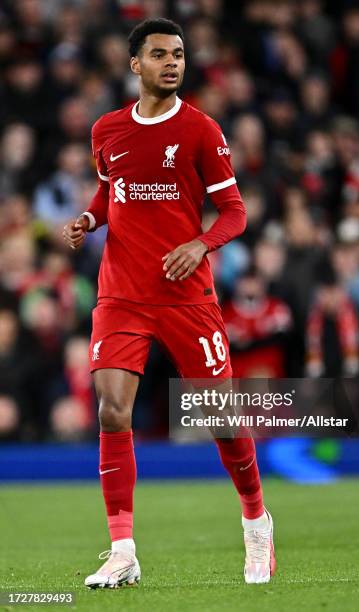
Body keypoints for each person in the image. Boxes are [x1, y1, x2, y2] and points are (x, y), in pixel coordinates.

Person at [62, 18, 275, 589]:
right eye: (159, 54)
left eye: (178, 54)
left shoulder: (202, 130)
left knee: (220, 419)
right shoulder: (106, 130)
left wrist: (198, 243)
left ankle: (256, 518)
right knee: (111, 408)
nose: (172, 62)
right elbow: (114, 190)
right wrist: (89, 217)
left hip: (186, 295)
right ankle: (123, 550)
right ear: (135, 64)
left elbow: (235, 211)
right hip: (123, 292)